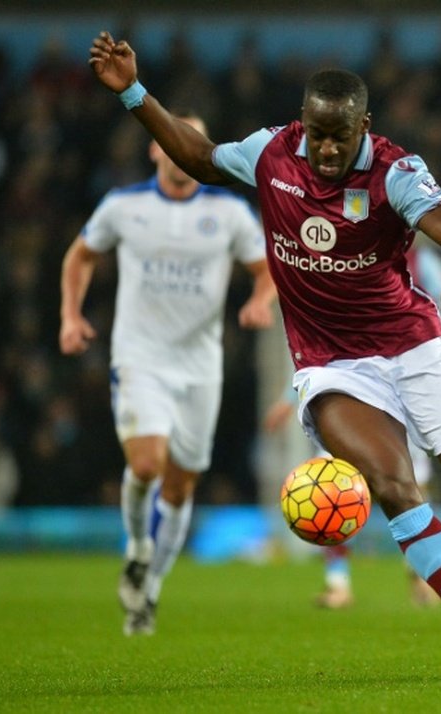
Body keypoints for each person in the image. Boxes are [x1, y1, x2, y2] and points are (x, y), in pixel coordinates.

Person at [88, 31, 441, 688]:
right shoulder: (272, 154)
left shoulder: (393, 172)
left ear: (366, 125)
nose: (328, 149)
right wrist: (133, 91)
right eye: (319, 134)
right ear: (304, 124)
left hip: (415, 348)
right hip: (331, 367)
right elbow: (204, 157)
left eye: (342, 135)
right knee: (392, 486)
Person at [59, 109, 277, 636]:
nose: (181, 148)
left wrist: (260, 300)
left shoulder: (227, 212)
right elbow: (80, 256)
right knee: (148, 462)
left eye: (194, 140)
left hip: (201, 365)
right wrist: (70, 314)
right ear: (156, 148)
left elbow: (265, 265)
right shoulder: (124, 206)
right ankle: (137, 547)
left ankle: (149, 587)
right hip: (140, 357)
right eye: (171, 139)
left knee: (180, 488)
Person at [263, 243, 441, 610]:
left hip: (408, 386)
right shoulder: (351, 254)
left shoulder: (426, 264)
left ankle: (421, 578)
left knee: (412, 487)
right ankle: (337, 584)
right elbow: (320, 337)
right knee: (330, 481)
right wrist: (289, 397)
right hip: (351, 388)